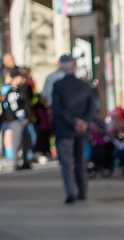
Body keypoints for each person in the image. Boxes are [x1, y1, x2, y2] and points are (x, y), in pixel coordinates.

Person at [52, 55, 98, 203]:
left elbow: (58, 109)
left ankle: (71, 192)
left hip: (66, 130)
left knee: (66, 163)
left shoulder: (58, 85)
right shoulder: (84, 85)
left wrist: (74, 122)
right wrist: (83, 122)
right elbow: (92, 106)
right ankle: (82, 191)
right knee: (80, 160)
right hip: (80, 130)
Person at [2, 67, 33, 171]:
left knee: (26, 139)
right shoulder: (13, 91)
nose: (21, 79)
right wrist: (22, 116)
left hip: (20, 119)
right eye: (19, 77)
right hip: (16, 120)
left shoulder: (19, 89)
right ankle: (15, 162)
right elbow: (14, 105)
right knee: (17, 140)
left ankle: (26, 160)